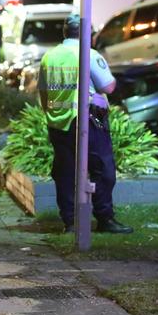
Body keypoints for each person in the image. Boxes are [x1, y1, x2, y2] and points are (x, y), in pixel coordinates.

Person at [37, 13, 133, 234]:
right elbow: (108, 87)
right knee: (102, 170)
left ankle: (70, 222)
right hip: (88, 122)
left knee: (65, 172)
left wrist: (52, 116)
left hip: (58, 124)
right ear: (87, 34)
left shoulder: (49, 57)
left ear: (65, 33)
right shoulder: (88, 55)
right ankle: (105, 218)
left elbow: (43, 93)